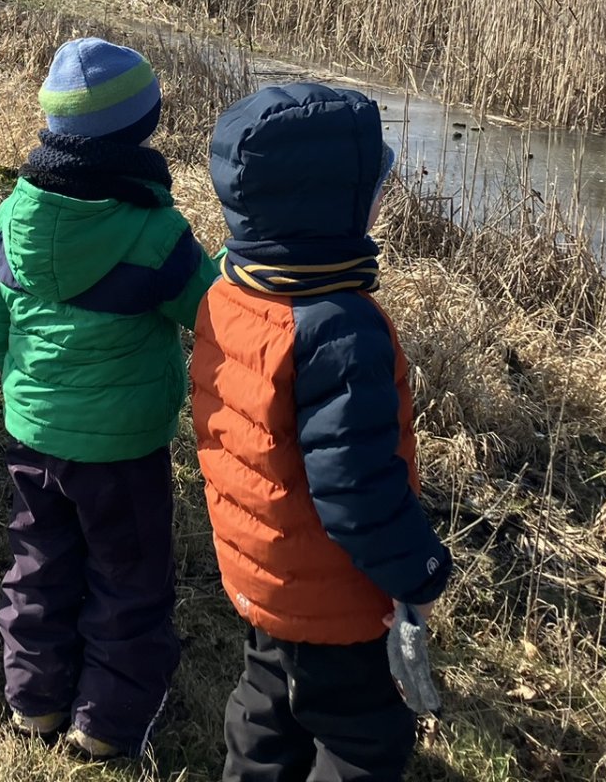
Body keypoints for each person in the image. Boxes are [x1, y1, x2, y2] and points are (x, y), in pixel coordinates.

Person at [191, 83, 454, 782]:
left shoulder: (231, 290)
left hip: (261, 570)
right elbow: (356, 488)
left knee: (267, 706)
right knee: (361, 739)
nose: (381, 201)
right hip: (332, 596)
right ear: (332, 208)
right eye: (373, 190)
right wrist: (420, 570)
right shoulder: (339, 328)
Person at [0, 38, 218, 760]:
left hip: (34, 433)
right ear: (139, 130)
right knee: (128, 576)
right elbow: (212, 315)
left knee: (38, 562)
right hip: (123, 446)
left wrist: (25, 390)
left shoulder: (9, 214)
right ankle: (107, 723)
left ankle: (36, 702)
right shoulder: (156, 231)